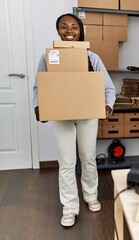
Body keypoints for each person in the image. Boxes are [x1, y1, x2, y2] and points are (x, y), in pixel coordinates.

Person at [32, 13, 116, 227]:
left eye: (74, 27)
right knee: (67, 163)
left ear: (80, 32)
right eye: (64, 26)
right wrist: (38, 107)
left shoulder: (92, 57)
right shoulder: (48, 57)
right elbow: (39, 87)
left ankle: (90, 196)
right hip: (62, 116)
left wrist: (107, 105)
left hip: (87, 115)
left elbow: (108, 87)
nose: (69, 31)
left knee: (88, 158)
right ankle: (69, 207)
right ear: (58, 31)